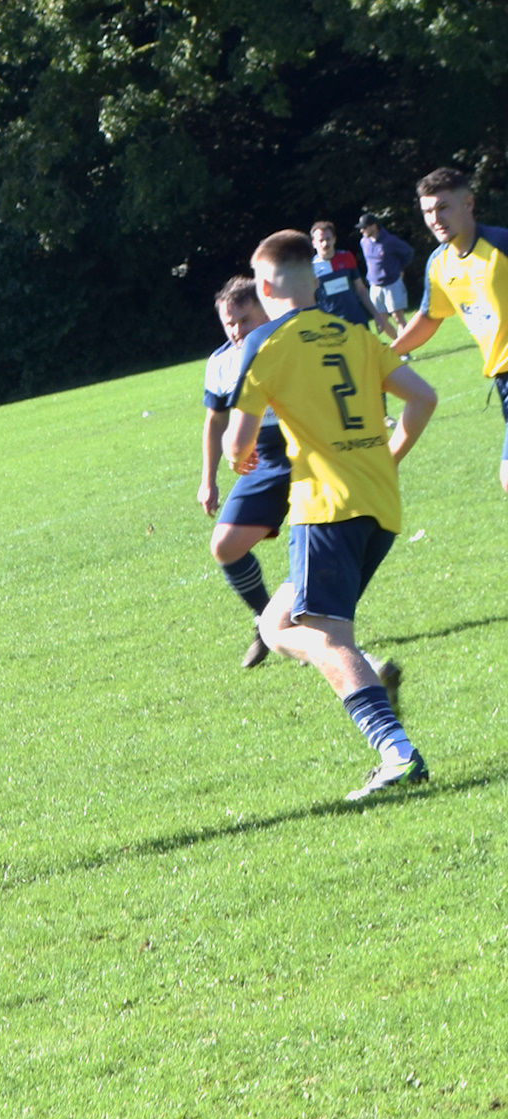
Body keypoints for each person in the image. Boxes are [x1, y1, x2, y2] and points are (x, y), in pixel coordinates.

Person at [226, 231, 438, 800]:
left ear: (264, 287)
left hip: (325, 508)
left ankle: (396, 753)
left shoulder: (267, 343)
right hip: (380, 505)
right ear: (314, 281)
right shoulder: (356, 336)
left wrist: (237, 456)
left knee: (325, 633)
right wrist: (388, 456)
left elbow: (237, 444)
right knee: (276, 626)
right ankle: (369, 677)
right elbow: (423, 398)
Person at [389, 167, 508, 495]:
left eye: (443, 207)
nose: (435, 218)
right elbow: (429, 318)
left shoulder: (501, 245)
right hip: (502, 379)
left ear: (468, 203)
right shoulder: (440, 264)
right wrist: (387, 354)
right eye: (428, 211)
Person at [198, 276, 292, 668]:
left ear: (266, 310)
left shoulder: (291, 344)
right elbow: (215, 421)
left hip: (313, 453)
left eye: (244, 319)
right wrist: (208, 479)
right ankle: (266, 620)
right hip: (262, 460)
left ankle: (302, 630)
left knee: (314, 550)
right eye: (229, 323)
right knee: (224, 546)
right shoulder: (221, 362)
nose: (237, 330)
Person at [310, 220, 384, 330]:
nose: (325, 244)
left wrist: (376, 314)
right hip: (330, 325)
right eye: (321, 240)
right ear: (314, 243)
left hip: (356, 319)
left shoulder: (346, 257)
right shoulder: (310, 268)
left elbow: (361, 290)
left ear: (334, 239)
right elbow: (310, 300)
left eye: (328, 239)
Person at [358, 212, 416, 334]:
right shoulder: (364, 242)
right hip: (375, 285)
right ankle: (397, 346)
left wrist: (399, 268)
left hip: (392, 283)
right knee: (381, 321)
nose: (361, 231)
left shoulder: (390, 241)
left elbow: (409, 253)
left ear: (374, 226)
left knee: (398, 317)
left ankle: (405, 350)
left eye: (364, 227)